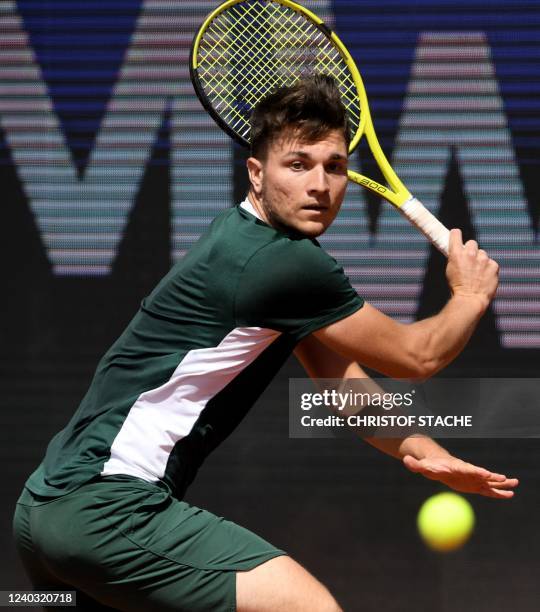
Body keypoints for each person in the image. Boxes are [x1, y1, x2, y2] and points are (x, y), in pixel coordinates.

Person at [13, 74, 518, 612]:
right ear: (256, 174)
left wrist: (425, 451)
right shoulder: (283, 263)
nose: (320, 184)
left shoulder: (254, 245)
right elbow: (419, 356)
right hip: (109, 512)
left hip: (45, 513)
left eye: (335, 166)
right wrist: (469, 295)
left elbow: (340, 384)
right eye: (298, 164)